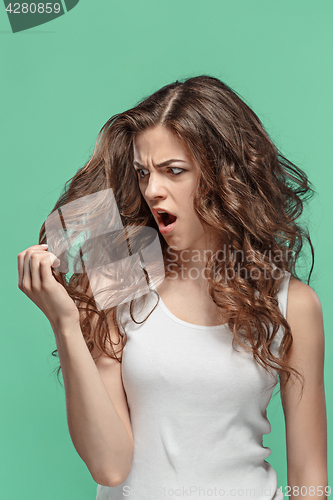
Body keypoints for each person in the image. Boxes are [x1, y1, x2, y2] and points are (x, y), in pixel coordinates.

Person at [17, 75, 328, 500]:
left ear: (228, 176)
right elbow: (109, 466)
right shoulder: (119, 277)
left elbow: (310, 473)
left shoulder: (293, 304)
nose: (152, 190)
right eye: (144, 173)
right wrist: (66, 323)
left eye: (174, 171)